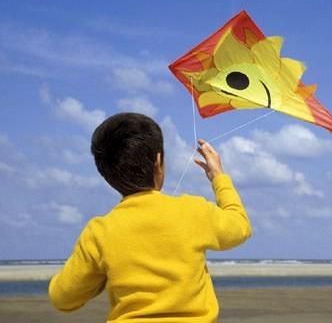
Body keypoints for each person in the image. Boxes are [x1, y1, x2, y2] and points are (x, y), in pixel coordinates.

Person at [48, 113, 251, 322]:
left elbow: (62, 298)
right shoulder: (193, 210)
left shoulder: (99, 232)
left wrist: (99, 276)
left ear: (105, 173)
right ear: (158, 160)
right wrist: (219, 177)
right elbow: (239, 226)